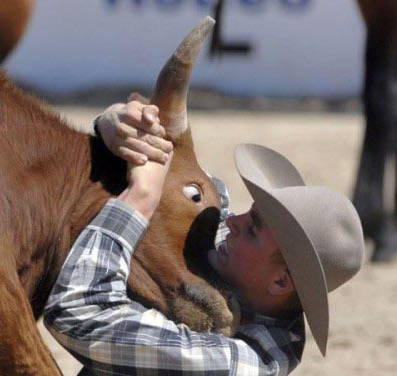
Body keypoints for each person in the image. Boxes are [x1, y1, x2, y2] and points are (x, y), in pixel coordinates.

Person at [44, 100, 365, 375]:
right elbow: (205, 193)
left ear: (281, 283)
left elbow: (79, 315)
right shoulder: (248, 268)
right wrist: (121, 125)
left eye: (252, 229)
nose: (233, 222)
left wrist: (138, 202)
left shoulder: (238, 365)